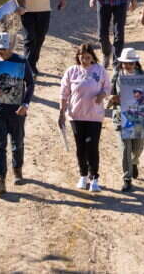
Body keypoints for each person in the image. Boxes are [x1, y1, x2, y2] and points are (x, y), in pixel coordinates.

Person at [0, 32, 35, 194]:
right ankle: (0, 180)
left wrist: (25, 104)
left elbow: (30, 84)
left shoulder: (21, 61)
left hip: (17, 110)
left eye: (3, 48)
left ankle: (17, 170)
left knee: (17, 142)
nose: (1, 52)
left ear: (10, 47)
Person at [59, 43, 110, 193]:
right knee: (80, 147)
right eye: (82, 57)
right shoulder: (72, 71)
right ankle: (83, 175)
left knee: (92, 147)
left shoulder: (100, 70)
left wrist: (102, 95)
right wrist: (61, 112)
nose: (85, 61)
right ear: (78, 57)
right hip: (76, 115)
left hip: (94, 116)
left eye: (88, 57)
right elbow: (64, 93)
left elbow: (107, 87)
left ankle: (94, 178)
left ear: (92, 57)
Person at [109, 47, 144, 192]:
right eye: (125, 63)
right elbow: (109, 94)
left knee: (138, 147)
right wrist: (112, 99)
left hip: (139, 118)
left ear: (136, 63)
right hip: (121, 117)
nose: (128, 65)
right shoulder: (116, 76)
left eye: (131, 63)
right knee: (125, 148)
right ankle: (127, 178)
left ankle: (134, 162)